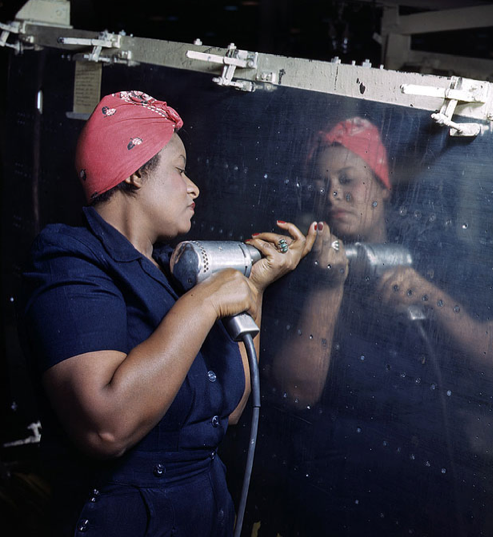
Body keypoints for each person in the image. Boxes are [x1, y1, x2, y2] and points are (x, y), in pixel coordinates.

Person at [17, 90, 318, 536]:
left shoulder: (168, 272)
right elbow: (105, 428)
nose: (194, 186)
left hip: (205, 514)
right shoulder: (69, 260)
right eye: (179, 170)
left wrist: (253, 287)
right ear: (135, 172)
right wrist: (205, 302)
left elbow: (232, 409)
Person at [261, 117, 493, 536]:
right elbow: (296, 390)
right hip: (335, 486)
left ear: (383, 186)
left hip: (430, 482)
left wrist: (433, 299)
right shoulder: (299, 267)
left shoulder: (435, 251)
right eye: (321, 184)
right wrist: (328, 285)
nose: (333, 194)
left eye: (348, 179)